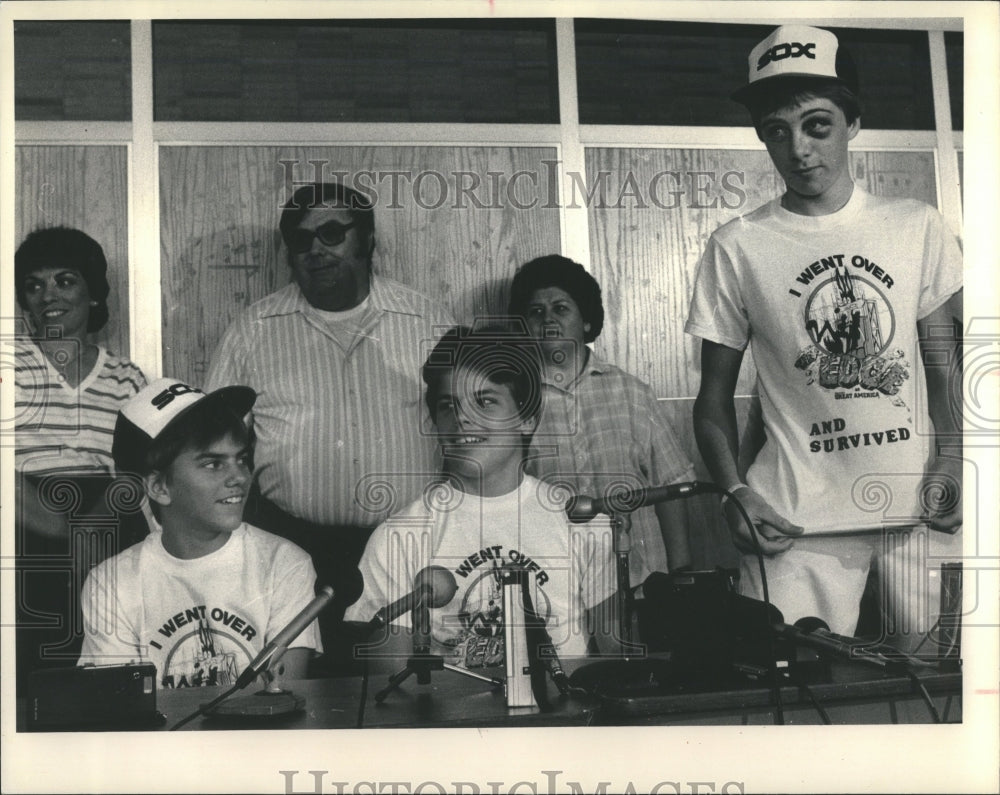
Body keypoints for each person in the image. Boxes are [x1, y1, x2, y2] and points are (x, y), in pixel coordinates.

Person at [685, 26, 963, 649]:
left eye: (817, 125)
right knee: (784, 691)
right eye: (777, 131)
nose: (799, 149)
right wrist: (734, 492)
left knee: (957, 688)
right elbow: (713, 397)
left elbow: (946, 363)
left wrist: (954, 458)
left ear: (853, 123)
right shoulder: (738, 245)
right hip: (792, 518)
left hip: (920, 504)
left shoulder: (915, 226)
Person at [205, 181, 455, 652]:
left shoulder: (427, 322)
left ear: (368, 239)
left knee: (403, 691)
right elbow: (212, 449)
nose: (316, 249)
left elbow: (465, 428)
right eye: (301, 240)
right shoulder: (251, 332)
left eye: (332, 233)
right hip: (294, 551)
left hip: (412, 547)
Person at [345, 326, 619, 674]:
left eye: (485, 401)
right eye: (448, 405)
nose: (462, 418)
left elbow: (617, 666)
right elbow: (395, 692)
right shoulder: (397, 536)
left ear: (528, 418)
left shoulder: (581, 520)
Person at [78, 378, 322, 689]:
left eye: (241, 459)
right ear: (159, 487)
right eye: (212, 464)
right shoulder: (111, 583)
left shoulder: (285, 564)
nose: (239, 477)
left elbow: (282, 700)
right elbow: (123, 713)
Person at [13, 226, 148, 692]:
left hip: (106, 518)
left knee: (106, 662)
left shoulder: (125, 377)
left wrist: (93, 526)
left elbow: (138, 471)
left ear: (93, 294)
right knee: (36, 668)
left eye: (65, 280)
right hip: (23, 519)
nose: (48, 294)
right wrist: (57, 530)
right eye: (34, 284)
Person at [507, 255, 696, 588]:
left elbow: (671, 490)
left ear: (587, 322)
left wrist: (680, 575)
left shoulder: (632, 392)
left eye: (561, 308)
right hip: (557, 589)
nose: (548, 320)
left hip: (643, 584)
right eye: (536, 312)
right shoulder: (513, 403)